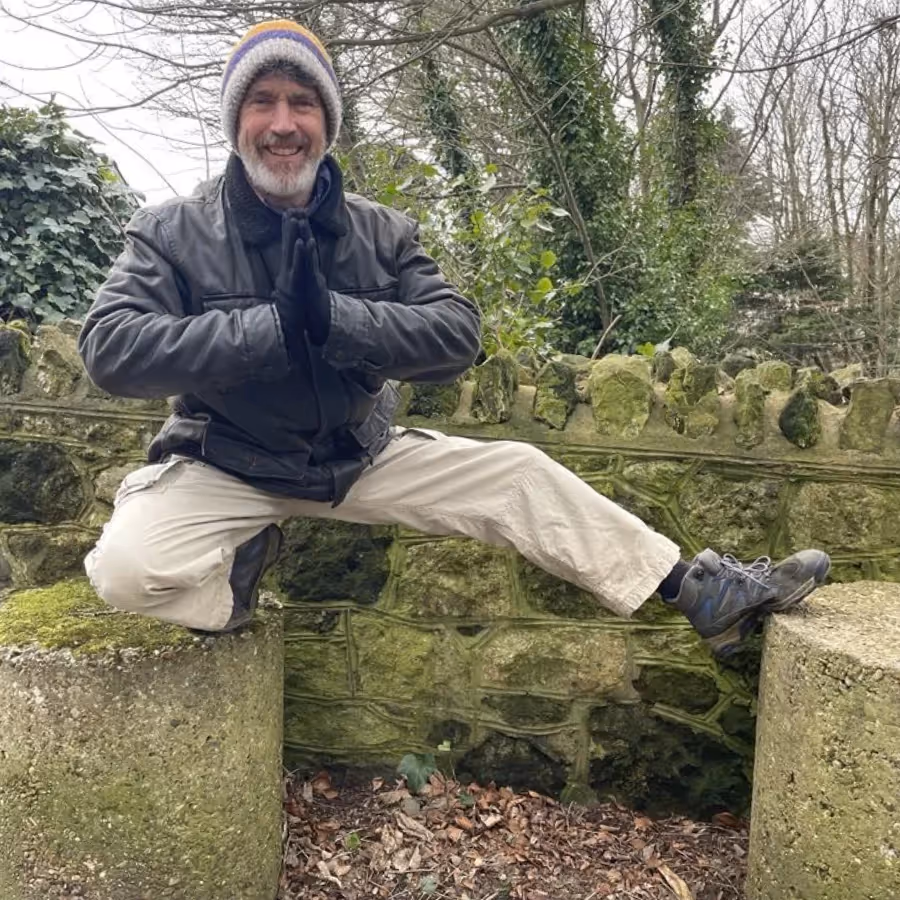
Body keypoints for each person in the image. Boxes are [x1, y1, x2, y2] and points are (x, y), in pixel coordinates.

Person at [78, 19, 830, 658]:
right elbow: (110, 346)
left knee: (519, 472)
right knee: (123, 570)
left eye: (302, 102)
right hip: (230, 461)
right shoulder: (173, 230)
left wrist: (336, 319)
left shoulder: (382, 231)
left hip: (354, 456)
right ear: (236, 119)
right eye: (263, 102)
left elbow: (456, 334)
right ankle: (233, 579)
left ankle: (704, 592)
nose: (282, 123)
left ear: (327, 122)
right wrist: (268, 328)